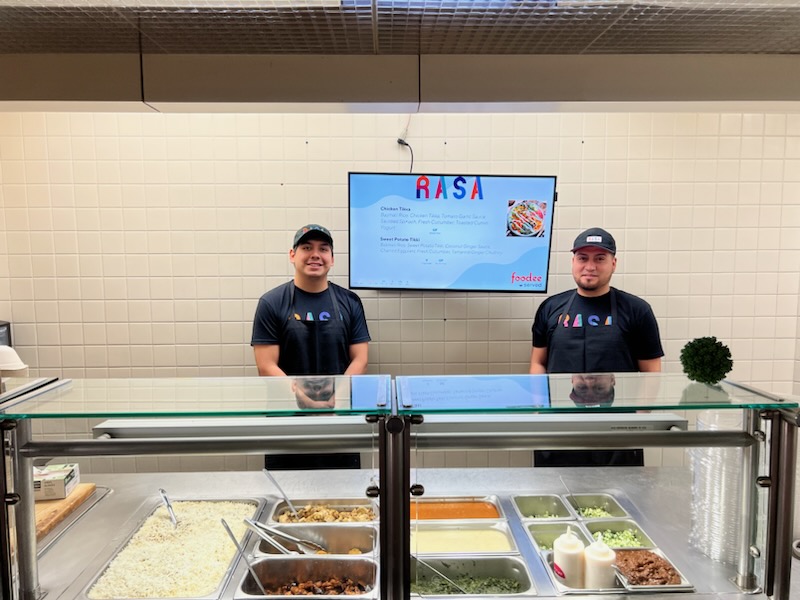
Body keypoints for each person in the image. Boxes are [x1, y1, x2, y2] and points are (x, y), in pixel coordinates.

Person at [529, 227, 663, 466]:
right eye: (583, 258)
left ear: (613, 263)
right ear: (573, 262)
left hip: (616, 431)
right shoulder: (550, 308)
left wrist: (636, 422)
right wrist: (541, 414)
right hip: (559, 430)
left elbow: (652, 372)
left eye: (600, 258)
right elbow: (538, 362)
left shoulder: (637, 310)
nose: (590, 266)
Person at [252, 224, 370, 469]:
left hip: (339, 422)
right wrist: (302, 398)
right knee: (288, 501)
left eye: (323, 249)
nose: (315, 254)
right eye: (307, 247)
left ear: (332, 259)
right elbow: (266, 366)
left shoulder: (350, 302)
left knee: (344, 502)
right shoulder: (271, 303)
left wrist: (339, 397)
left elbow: (360, 359)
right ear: (292, 255)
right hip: (286, 425)